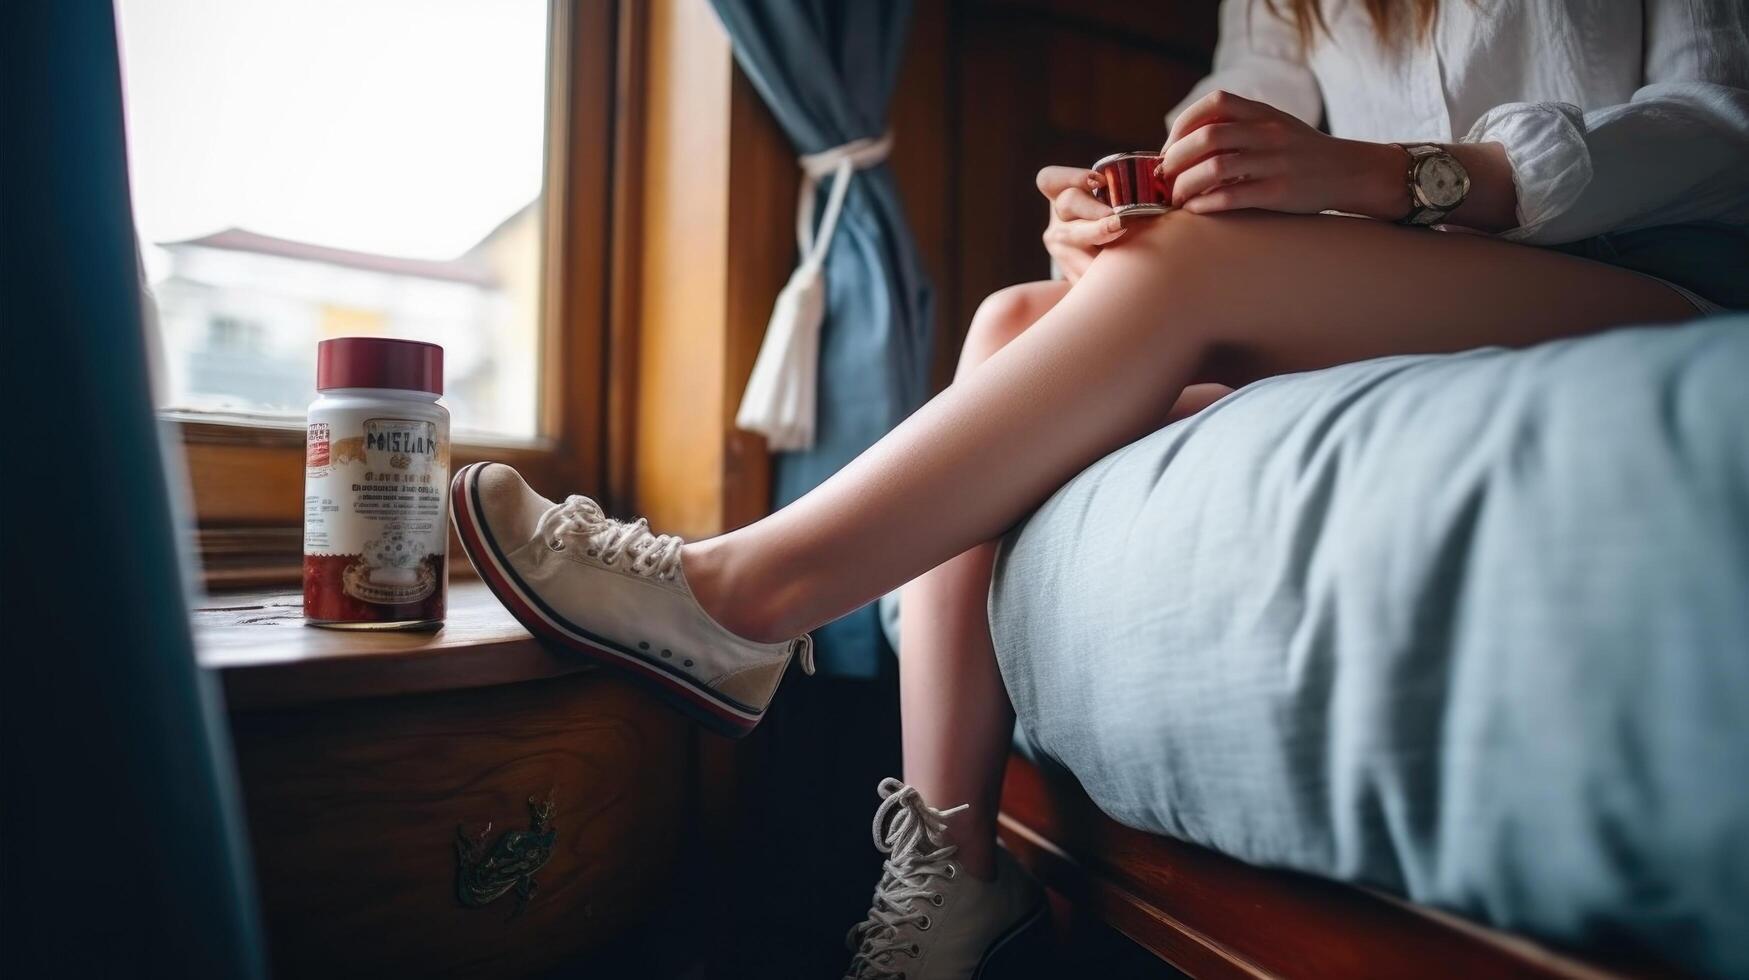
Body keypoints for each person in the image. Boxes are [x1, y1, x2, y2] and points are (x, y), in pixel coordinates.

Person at [449, 1, 1749, 976]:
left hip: (1642, 276)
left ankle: (743, 598)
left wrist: (1396, 175)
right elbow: (1225, 127)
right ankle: (949, 868)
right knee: (1017, 318)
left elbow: (1715, 122)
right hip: (1390, 290)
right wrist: (1119, 209)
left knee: (1176, 281)